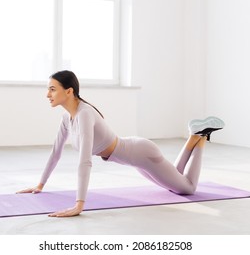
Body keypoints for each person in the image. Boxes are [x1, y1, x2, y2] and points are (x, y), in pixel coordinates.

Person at [18, 70, 225, 217]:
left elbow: (85, 161)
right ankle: (194, 135)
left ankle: (200, 137)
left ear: (69, 91)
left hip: (142, 154)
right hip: (136, 160)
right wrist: (40, 185)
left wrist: (79, 204)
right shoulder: (67, 119)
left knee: (187, 189)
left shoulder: (85, 114)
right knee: (175, 184)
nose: (48, 94)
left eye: (52, 89)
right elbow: (55, 153)